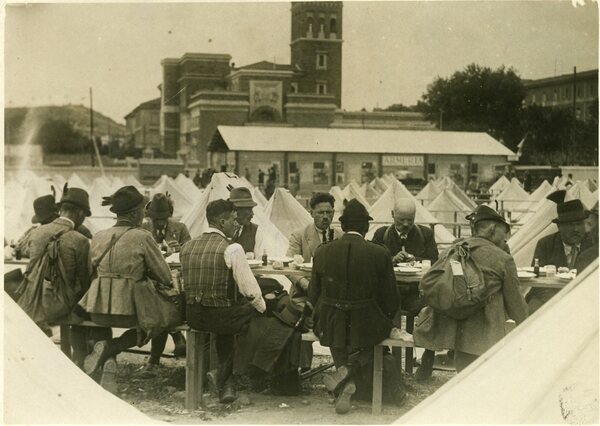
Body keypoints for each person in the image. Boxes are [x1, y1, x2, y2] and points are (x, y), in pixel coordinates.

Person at [309, 199, 400, 414]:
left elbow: (314, 295)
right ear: (366, 227)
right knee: (377, 329)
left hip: (330, 320)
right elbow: (391, 300)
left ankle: (344, 378)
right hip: (366, 322)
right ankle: (350, 370)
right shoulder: (379, 253)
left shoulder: (322, 251)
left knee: (336, 329)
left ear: (343, 226)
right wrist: (382, 317)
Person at [79, 186, 173, 392]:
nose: (144, 214)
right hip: (131, 311)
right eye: (142, 210)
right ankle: (111, 348)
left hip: (98, 308)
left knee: (103, 325)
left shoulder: (99, 235)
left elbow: (90, 272)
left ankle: (108, 359)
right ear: (134, 214)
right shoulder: (142, 237)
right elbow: (165, 277)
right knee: (161, 322)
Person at [414, 205, 528, 373]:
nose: (506, 238)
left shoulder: (454, 249)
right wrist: (529, 325)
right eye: (505, 232)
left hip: (457, 335)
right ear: (493, 229)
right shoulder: (503, 259)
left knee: (463, 381)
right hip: (487, 336)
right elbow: (516, 305)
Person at [181, 199, 265, 403]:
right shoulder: (232, 249)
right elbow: (250, 290)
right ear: (221, 221)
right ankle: (223, 375)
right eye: (233, 220)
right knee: (255, 313)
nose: (237, 224)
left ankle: (226, 383)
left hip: (193, 315)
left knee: (230, 318)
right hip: (218, 316)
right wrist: (262, 307)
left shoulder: (187, 246)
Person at [24, 187, 99, 368]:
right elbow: (85, 283)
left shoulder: (36, 232)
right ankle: (81, 363)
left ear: (61, 209)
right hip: (60, 305)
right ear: (80, 213)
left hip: (32, 301)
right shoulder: (79, 240)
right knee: (87, 312)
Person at [371, 197, 438, 380]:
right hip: (389, 296)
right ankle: (389, 365)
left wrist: (417, 261)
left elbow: (435, 263)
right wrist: (391, 260)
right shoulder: (381, 235)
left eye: (411, 219)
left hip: (415, 293)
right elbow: (371, 264)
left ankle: (428, 359)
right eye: (402, 220)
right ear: (393, 215)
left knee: (436, 310)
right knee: (375, 315)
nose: (406, 224)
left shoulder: (425, 234)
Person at [286, 192, 342, 372]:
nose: (325, 217)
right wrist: (304, 284)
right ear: (311, 213)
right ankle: (303, 367)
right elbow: (289, 267)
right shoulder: (299, 236)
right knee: (302, 316)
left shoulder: (340, 235)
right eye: (320, 212)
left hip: (332, 295)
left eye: (329, 212)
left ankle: (343, 367)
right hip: (304, 295)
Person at [141, 193, 191, 371]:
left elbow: (190, 252)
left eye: (163, 219)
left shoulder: (180, 228)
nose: (160, 223)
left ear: (169, 216)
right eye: (156, 219)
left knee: (171, 296)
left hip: (176, 277)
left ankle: (157, 357)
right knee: (164, 301)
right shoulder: (143, 228)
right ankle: (176, 336)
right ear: (150, 217)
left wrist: (181, 250)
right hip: (152, 280)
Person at [527, 198, 594, 314]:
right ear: (559, 227)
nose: (576, 229)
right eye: (570, 225)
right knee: (533, 309)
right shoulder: (545, 244)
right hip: (549, 298)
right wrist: (561, 303)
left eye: (579, 224)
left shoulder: (593, 245)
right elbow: (537, 280)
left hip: (584, 298)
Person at [16, 192, 92, 258]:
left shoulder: (80, 230)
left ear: (55, 216)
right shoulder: (34, 230)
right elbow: (18, 247)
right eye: (42, 222)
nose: (44, 225)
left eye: (46, 221)